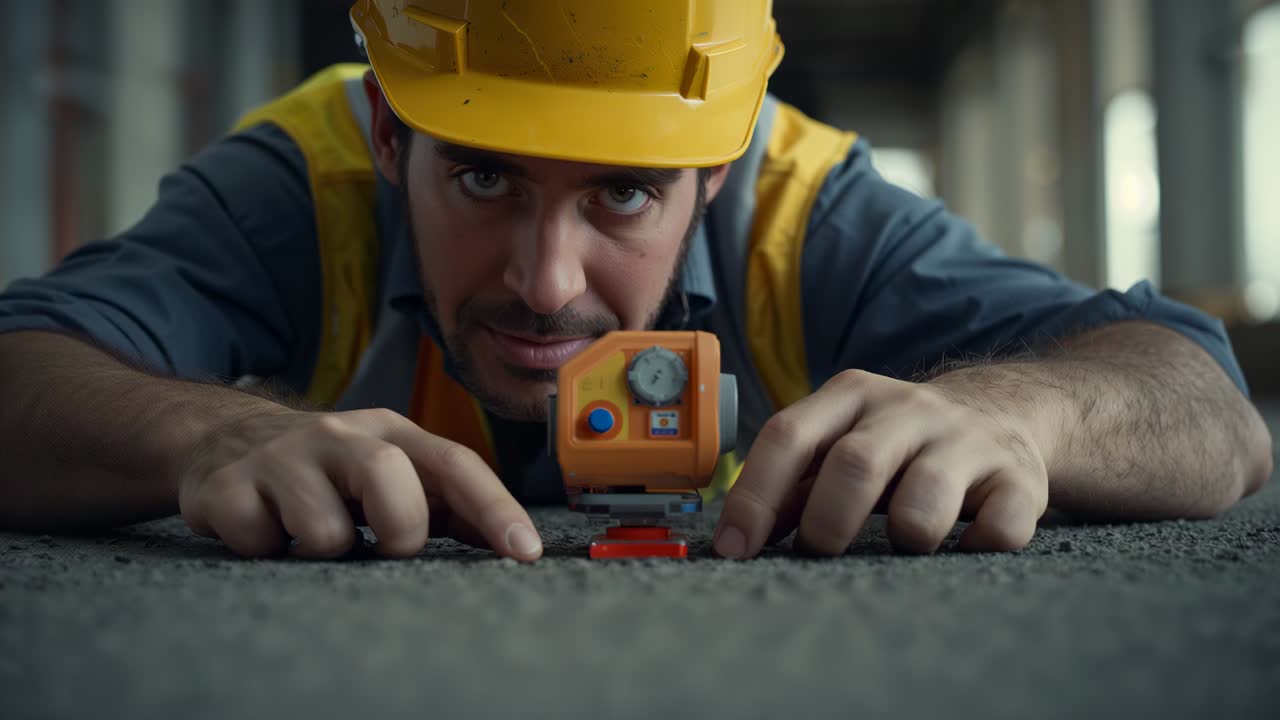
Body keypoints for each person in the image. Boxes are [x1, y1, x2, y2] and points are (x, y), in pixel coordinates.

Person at [0, 0, 1271, 563]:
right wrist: (206, 431)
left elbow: (1203, 409)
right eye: (486, 179)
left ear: (716, 169)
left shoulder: (808, 210)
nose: (547, 287)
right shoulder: (301, 183)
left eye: (622, 192)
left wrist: (1021, 413)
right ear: (392, 139)